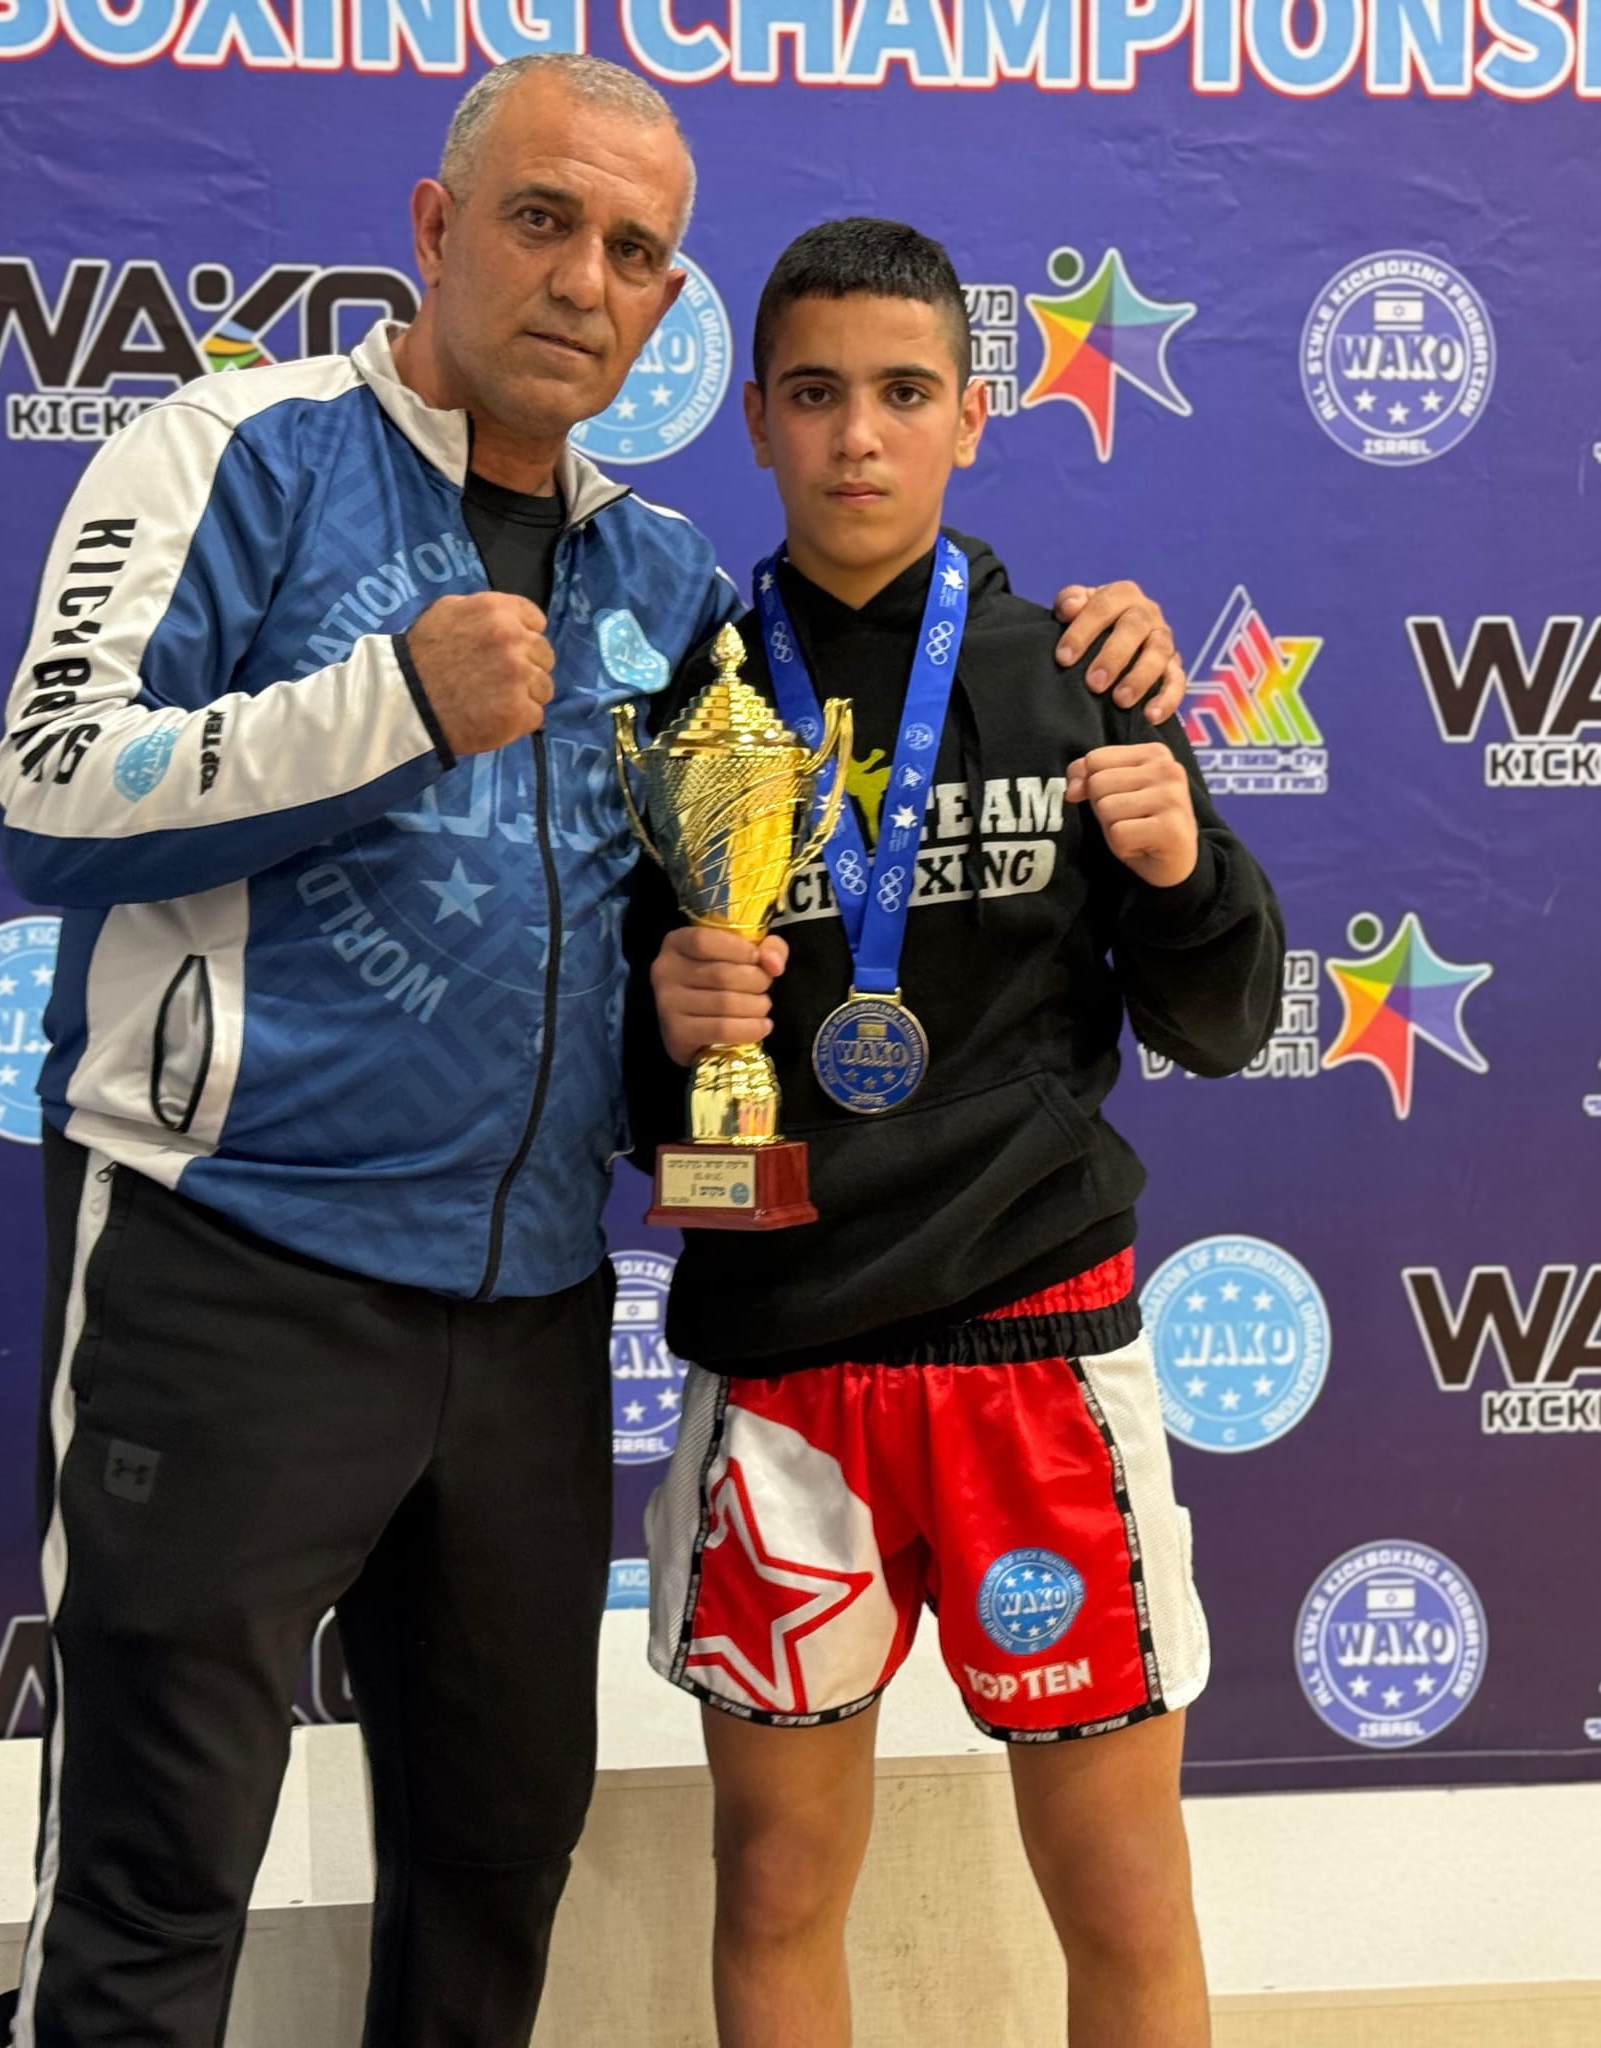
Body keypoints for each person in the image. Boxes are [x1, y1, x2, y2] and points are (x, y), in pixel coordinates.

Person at [0, 56, 1191, 2048]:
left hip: (531, 1303)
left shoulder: (667, 586)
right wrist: (384, 701)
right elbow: (44, 788)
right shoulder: (231, 451)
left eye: (634, 251)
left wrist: (1088, 645)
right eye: (542, 220)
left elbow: (732, 898)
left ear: (664, 305)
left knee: (493, 1869)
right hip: (234, 1258)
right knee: (152, 1879)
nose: (582, 280)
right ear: (438, 227)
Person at [628, 217, 1285, 2048]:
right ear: (753, 416)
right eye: (816, 393)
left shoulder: (1082, 669)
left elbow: (1222, 1023)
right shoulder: (685, 699)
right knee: (772, 1884)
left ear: (972, 416)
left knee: (1123, 1888)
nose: (859, 436)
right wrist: (660, 1028)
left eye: (903, 393)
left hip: (1033, 1342)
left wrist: (1182, 865)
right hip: (785, 1354)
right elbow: (625, 1095)